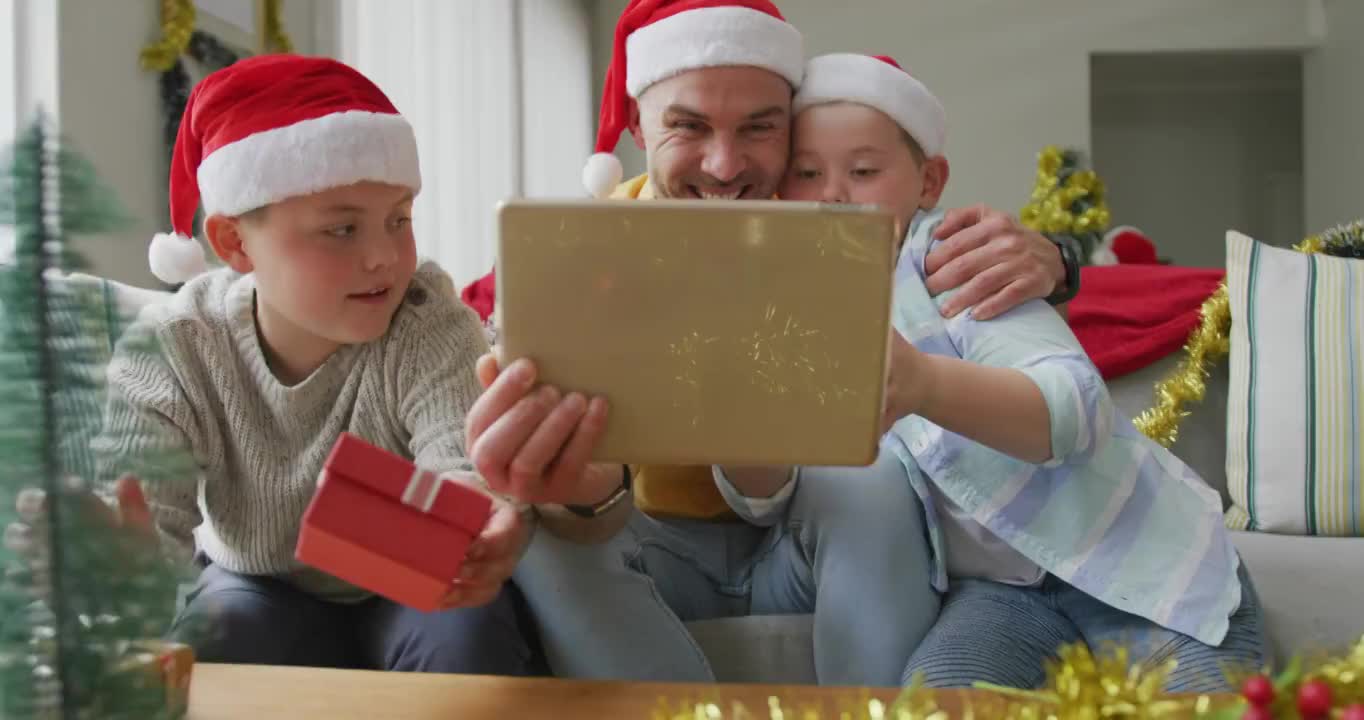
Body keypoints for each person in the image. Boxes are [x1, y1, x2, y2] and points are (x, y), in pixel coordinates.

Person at [465, 0, 1079, 686]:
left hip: (802, 542)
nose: (726, 166)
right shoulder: (578, 254)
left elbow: (935, 250)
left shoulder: (838, 221)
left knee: (868, 477)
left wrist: (1060, 257)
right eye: (688, 126)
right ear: (638, 124)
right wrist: (570, 490)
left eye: (760, 128)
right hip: (644, 549)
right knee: (537, 531)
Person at [14, 55, 546, 674]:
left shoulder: (427, 318)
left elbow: (460, 462)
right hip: (260, 583)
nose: (383, 257)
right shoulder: (179, 344)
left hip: (412, 583)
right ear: (235, 244)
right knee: (225, 633)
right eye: (342, 230)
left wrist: (478, 523)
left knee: (466, 629)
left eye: (398, 219)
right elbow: (149, 537)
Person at [778, 52, 1264, 692]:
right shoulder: (791, 297)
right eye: (806, 173)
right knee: (932, 697)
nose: (833, 195)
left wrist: (923, 383)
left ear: (928, 183)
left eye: (863, 171)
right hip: (999, 595)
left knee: (1205, 698)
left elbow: (1075, 406)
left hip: (1138, 561)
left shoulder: (956, 262)